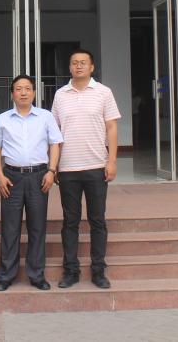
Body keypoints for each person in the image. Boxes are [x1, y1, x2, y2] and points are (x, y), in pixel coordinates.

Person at [51, 48, 121, 289]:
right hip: (68, 168)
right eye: (74, 62)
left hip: (96, 166)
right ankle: (71, 270)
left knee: (97, 220)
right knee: (70, 221)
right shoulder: (60, 95)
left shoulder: (103, 92)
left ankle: (98, 270)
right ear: (69, 67)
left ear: (92, 67)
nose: (78, 66)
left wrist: (112, 161)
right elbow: (55, 133)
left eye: (83, 62)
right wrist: (54, 166)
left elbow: (111, 128)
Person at [0, 75, 63, 292]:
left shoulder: (45, 117)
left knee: (37, 227)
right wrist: (0, 176)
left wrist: (51, 171)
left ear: (34, 92)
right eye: (18, 89)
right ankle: (6, 275)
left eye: (28, 88)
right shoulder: (3, 119)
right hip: (11, 178)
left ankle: (37, 275)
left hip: (39, 176)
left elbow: (55, 143)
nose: (23, 92)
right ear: (12, 93)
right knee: (10, 228)